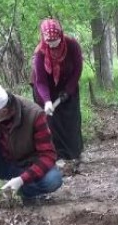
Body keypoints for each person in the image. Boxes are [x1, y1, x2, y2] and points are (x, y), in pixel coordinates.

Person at [31, 18, 84, 161]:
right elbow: (40, 81)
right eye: (49, 41)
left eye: (55, 40)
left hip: (68, 84)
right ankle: (56, 156)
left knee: (70, 121)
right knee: (51, 123)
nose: (53, 44)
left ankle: (73, 154)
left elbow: (77, 70)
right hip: (45, 90)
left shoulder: (72, 45)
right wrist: (47, 101)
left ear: (61, 35)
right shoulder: (39, 54)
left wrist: (68, 91)